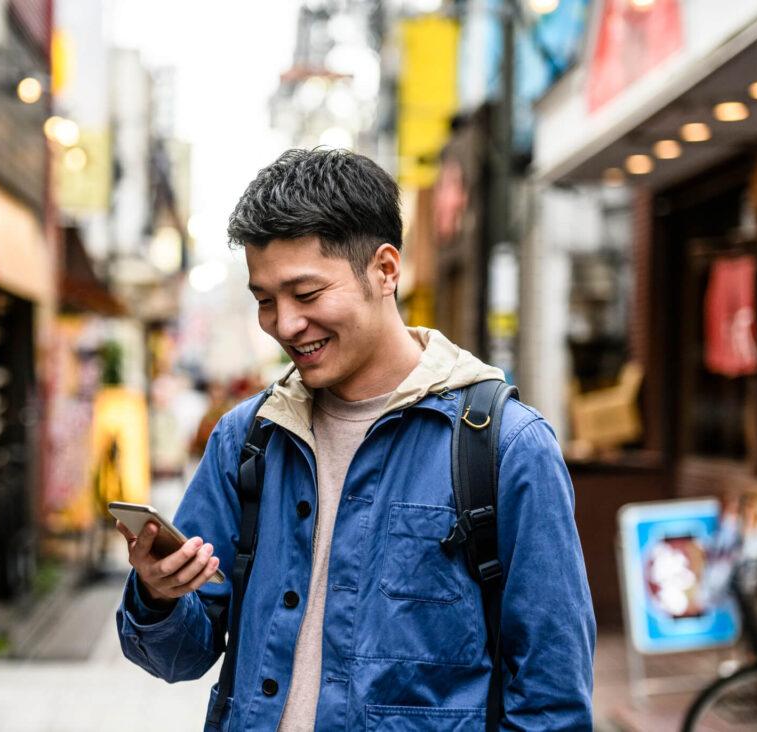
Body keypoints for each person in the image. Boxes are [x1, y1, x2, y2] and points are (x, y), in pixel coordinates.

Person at [116, 149, 595, 731]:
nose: (285, 324)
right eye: (265, 300)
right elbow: (181, 657)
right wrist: (159, 594)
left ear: (385, 270)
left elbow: (551, 699)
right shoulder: (247, 439)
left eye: (307, 294)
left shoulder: (505, 447)